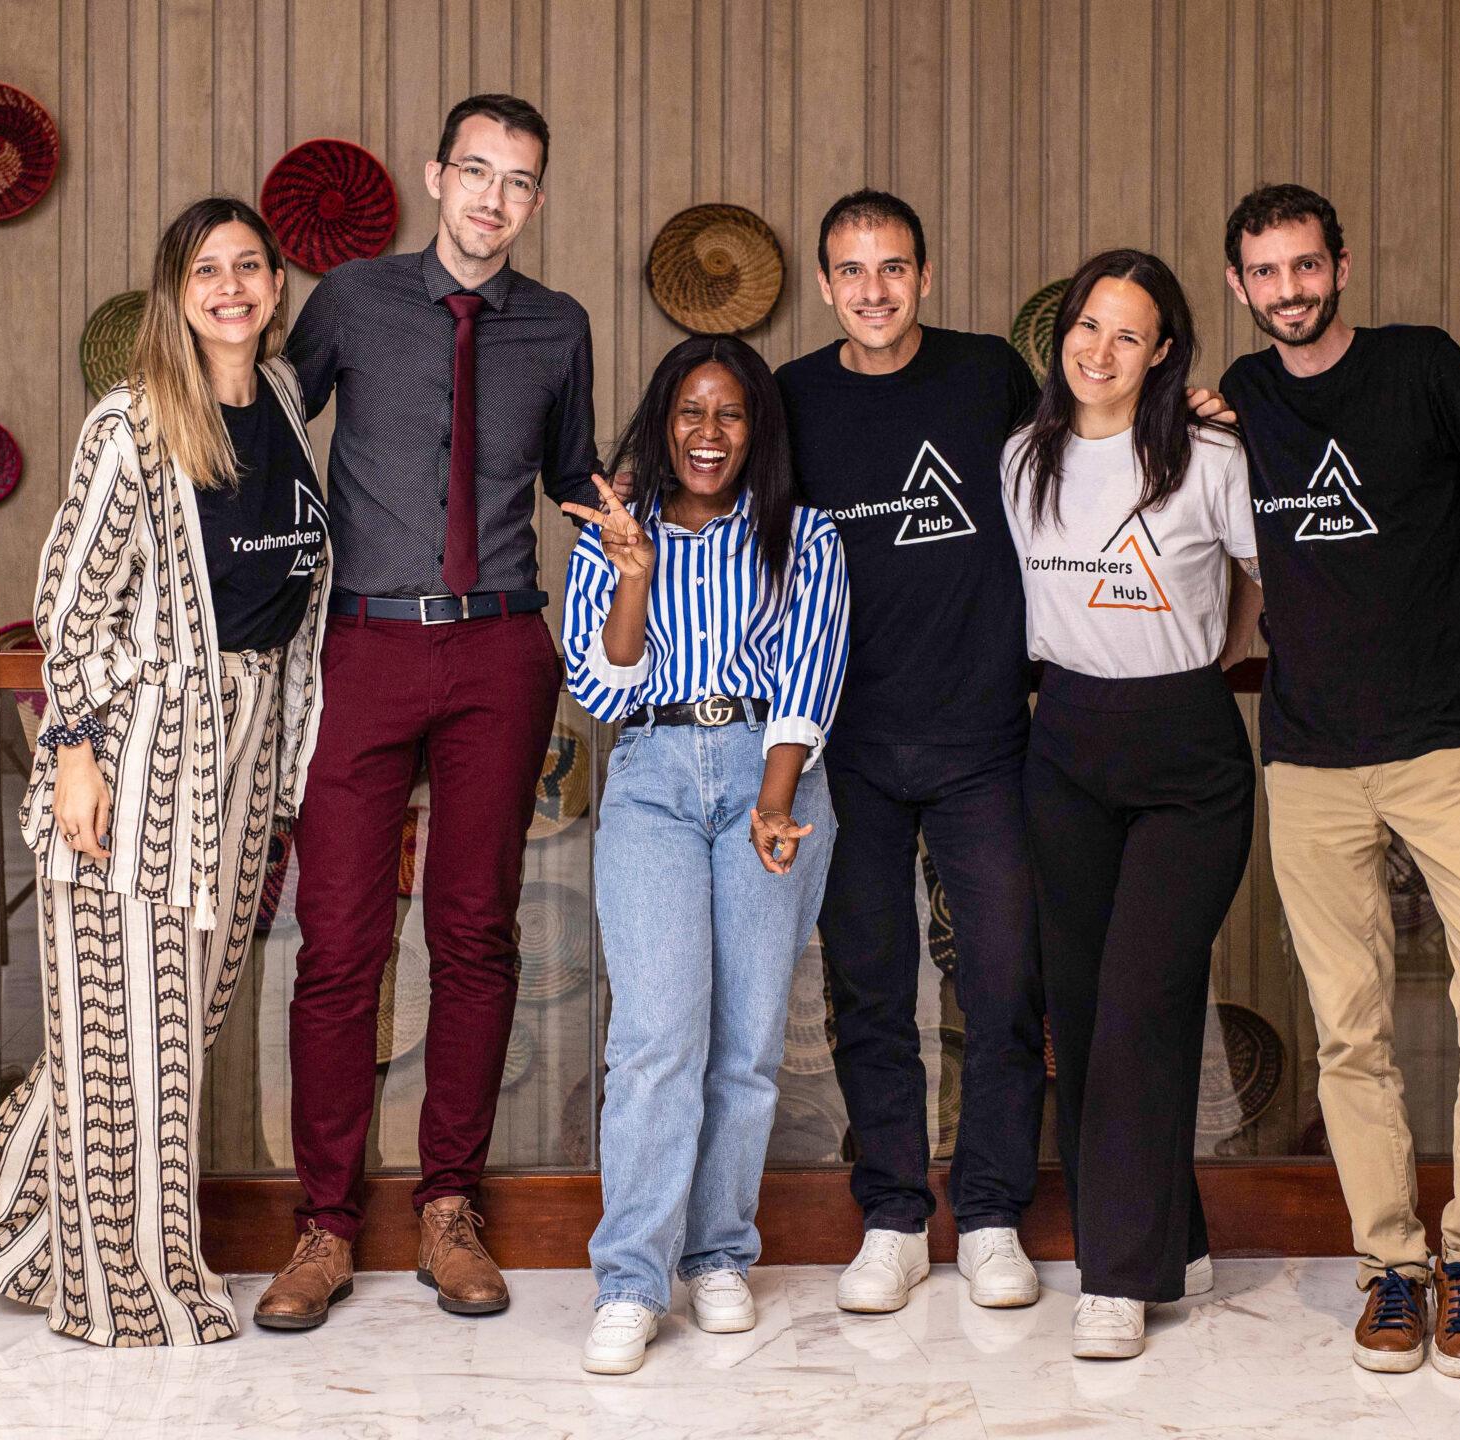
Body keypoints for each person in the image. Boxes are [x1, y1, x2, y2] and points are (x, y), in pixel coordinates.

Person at [0, 196, 332, 1347]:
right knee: (128, 1033)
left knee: (168, 1027)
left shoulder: (286, 402)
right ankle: (135, 1288)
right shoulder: (131, 423)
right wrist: (76, 751)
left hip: (243, 754)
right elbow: (68, 602)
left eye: (250, 266)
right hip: (138, 750)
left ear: (277, 287)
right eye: (206, 271)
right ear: (173, 292)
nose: (231, 287)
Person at [1219, 183, 1460, 1380]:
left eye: (1306, 266)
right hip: (1308, 757)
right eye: (1266, 273)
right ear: (1239, 286)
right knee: (1350, 1028)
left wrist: (1448, 572)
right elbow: (1240, 557)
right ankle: (1391, 1268)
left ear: (1342, 263)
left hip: (1440, 747)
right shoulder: (1241, 402)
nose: (1289, 290)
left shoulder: (1422, 365)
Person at [254, 93, 599, 1330]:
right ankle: (326, 1225)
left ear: (536, 201)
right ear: (435, 175)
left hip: (501, 652)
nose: (491, 200)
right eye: (475, 172)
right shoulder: (350, 300)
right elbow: (267, 431)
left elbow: (570, 478)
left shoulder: (558, 326)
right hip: (363, 648)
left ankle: (449, 1208)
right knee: (338, 943)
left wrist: (643, 503)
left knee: (475, 933)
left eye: (517, 182)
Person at [772, 190, 1049, 1312]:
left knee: (1002, 983)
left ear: (924, 276)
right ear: (826, 282)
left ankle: (988, 1214)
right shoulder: (790, 398)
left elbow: (1084, 477)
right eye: (851, 269)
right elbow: (744, 534)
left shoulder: (989, 377)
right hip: (850, 742)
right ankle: (891, 1212)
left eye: (892, 267)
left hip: (988, 736)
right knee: (871, 988)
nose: (873, 289)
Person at [558, 335, 851, 1375]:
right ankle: (631, 1281)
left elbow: (810, 676)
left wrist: (774, 804)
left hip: (772, 770)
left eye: (730, 414)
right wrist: (633, 574)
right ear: (662, 421)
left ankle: (719, 1253)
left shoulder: (802, 534)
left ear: (756, 429)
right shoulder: (611, 537)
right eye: (691, 412)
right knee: (654, 1040)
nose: (709, 433)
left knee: (746, 1040)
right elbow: (601, 692)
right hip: (651, 776)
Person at [1002, 249, 1262, 1360]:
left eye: (1127, 334)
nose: (1098, 351)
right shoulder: (1021, 455)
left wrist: (1218, 657)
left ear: (1163, 353)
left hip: (1186, 758)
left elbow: (1268, 575)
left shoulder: (1208, 454)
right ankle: (1175, 1240)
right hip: (1062, 745)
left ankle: (1114, 1276)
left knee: (1143, 1005)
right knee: (1083, 1008)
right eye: (1085, 326)